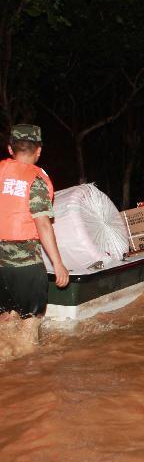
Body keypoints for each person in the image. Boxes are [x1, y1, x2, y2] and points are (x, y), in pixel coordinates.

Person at [0, 124, 69, 340]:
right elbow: (43, 225)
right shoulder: (36, 180)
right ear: (38, 151)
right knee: (30, 327)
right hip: (26, 266)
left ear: (10, 149)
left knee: (5, 321)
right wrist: (58, 264)